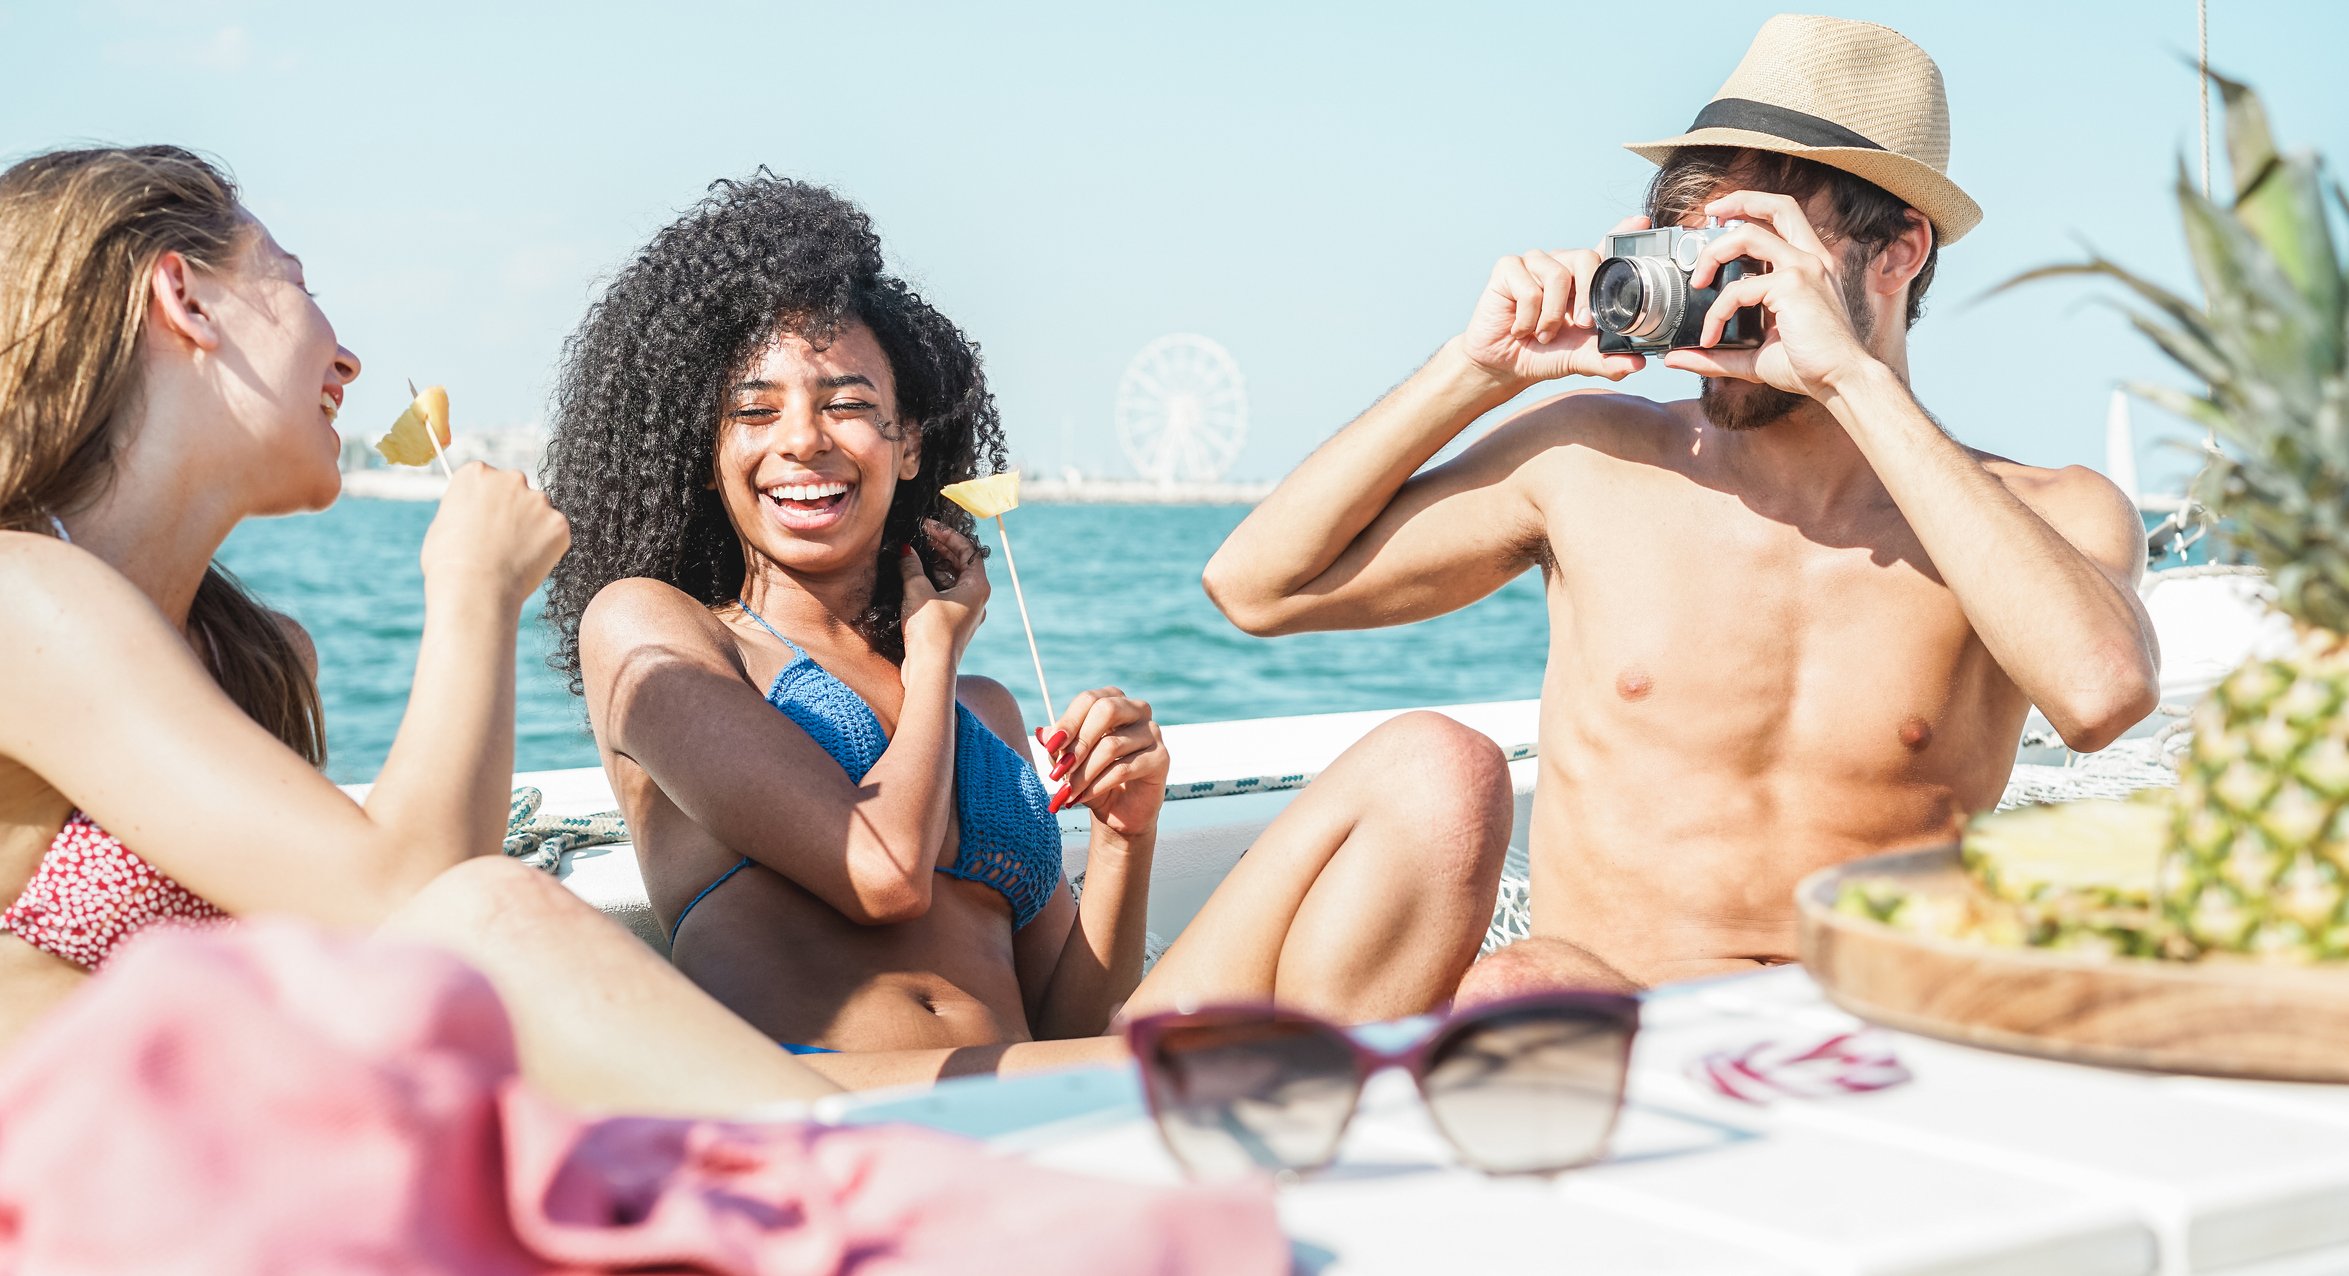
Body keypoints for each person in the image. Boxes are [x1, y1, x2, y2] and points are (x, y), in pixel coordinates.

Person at [1203, 15, 2162, 993]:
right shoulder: (1593, 459)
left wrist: (1852, 382)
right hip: (1602, 1031)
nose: (1713, 279)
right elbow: (1257, 588)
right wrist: (1476, 371)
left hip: (1865, 1041)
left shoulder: (2033, 515)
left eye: (1752, 246)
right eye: (1689, 243)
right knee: (1516, 983)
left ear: (1897, 251)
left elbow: (2101, 697)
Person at [544, 174, 1511, 1090]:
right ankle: (1283, 1108)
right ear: (707, 450)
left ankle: (1286, 1128)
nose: (802, 440)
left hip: (1033, 1087)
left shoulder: (985, 714)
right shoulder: (655, 630)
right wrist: (931, 653)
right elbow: (878, 872)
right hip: (823, 1100)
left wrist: (1129, 831)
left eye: (847, 405)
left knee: (1439, 770)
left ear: (908, 441)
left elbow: (1072, 1022)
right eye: (754, 413)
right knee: (1262, 1065)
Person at [0, 145, 839, 1116]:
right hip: (70, 1197)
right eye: (293, 284)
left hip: (228, 1157)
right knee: (498, 912)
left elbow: (395, 935)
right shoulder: (22, 596)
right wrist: (475, 585)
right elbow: (409, 907)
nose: (346, 356)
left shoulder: (256, 655)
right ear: (183, 297)